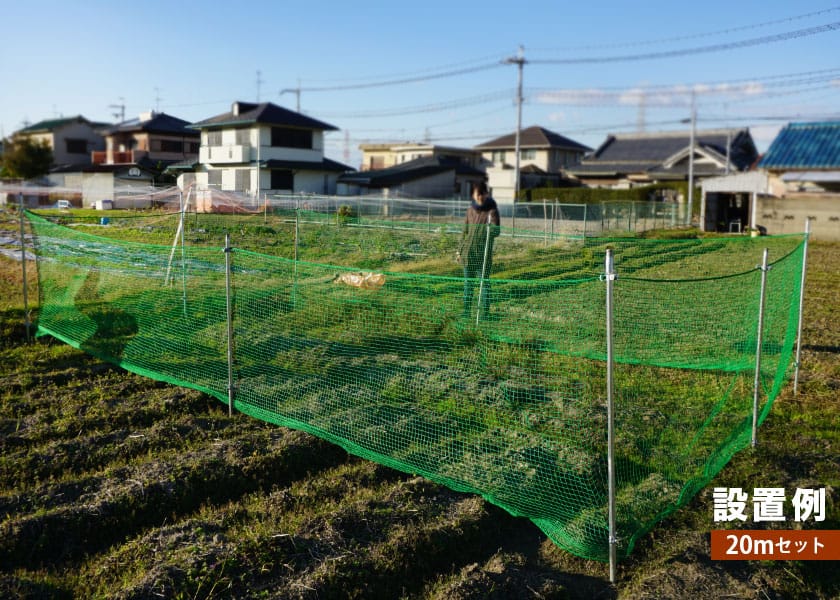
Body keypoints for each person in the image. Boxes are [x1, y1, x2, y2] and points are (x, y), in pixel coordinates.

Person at [457, 181, 500, 320]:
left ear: (486, 194)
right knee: (468, 285)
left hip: (483, 254)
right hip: (468, 254)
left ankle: (484, 314)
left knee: (484, 284)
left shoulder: (491, 211)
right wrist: (459, 250)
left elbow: (496, 230)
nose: (480, 197)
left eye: (482, 194)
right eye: (477, 194)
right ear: (473, 195)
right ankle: (466, 312)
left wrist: (489, 229)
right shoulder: (470, 210)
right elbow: (464, 231)